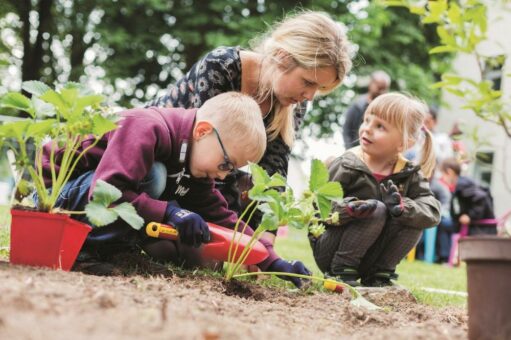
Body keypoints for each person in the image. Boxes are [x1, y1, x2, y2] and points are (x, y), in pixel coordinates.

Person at [39, 92, 311, 287]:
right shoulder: (147, 127)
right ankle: (86, 250)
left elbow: (225, 218)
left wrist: (273, 261)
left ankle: (111, 249)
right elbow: (105, 191)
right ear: (203, 131)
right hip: (53, 203)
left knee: (167, 210)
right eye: (226, 163)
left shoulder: (193, 166)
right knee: (155, 176)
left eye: (231, 169)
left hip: (84, 201)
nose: (223, 175)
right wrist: (170, 212)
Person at [146, 10, 352, 247]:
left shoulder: (293, 101)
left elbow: (273, 173)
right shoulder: (221, 67)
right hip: (154, 161)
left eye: (320, 88)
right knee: (156, 176)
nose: (310, 96)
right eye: (308, 82)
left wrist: (264, 240)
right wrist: (236, 238)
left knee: (248, 190)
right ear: (282, 57)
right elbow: (210, 156)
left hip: (197, 180)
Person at [310, 93, 441, 287]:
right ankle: (341, 272)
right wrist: (349, 209)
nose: (367, 129)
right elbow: (319, 207)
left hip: (371, 255)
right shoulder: (347, 164)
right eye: (367, 120)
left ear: (404, 143)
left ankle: (380, 275)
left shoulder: (409, 174)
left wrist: (403, 207)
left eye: (380, 126)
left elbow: (432, 211)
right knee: (377, 209)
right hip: (331, 249)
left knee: (414, 217)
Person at [439, 158, 497, 236]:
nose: (443, 178)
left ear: (450, 172)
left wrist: (470, 216)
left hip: (482, 229)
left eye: (443, 174)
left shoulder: (463, 185)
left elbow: (481, 198)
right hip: (478, 229)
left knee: (441, 224)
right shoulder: (460, 185)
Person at [342, 70, 391, 149]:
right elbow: (347, 129)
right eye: (379, 88)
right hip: (355, 148)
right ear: (371, 84)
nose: (381, 92)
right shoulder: (357, 104)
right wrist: (349, 149)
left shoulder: (387, 109)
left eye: (384, 89)